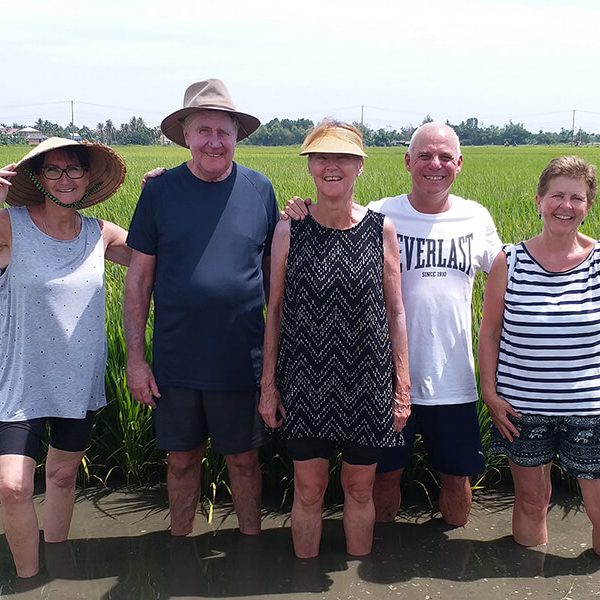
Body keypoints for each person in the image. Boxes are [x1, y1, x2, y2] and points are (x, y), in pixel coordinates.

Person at [285, 123, 501, 526]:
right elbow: (334, 211)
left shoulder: (477, 217)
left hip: (453, 378)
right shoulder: (382, 213)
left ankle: (447, 567)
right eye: (424, 155)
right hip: (382, 380)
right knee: (384, 477)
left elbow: (512, 278)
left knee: (457, 477)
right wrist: (298, 209)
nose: (434, 165)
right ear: (407, 161)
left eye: (444, 157)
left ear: (459, 163)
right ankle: (379, 563)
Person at [124, 79, 279, 537]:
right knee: (181, 460)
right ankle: (180, 547)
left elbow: (276, 283)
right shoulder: (159, 192)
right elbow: (138, 281)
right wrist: (135, 359)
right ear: (186, 136)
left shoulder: (260, 190)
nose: (215, 141)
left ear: (236, 136)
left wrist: (274, 368)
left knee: (245, 460)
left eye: (223, 131)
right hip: (177, 360)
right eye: (204, 130)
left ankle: (251, 546)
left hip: (240, 360)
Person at [260, 121, 410, 558]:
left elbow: (396, 312)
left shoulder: (381, 229)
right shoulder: (289, 229)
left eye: (342, 157)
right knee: (309, 490)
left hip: (367, 383)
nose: (331, 166)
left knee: (360, 489)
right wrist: (268, 386)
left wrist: (402, 388)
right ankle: (304, 578)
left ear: (359, 166)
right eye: (321, 157)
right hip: (305, 381)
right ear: (310, 167)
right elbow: (274, 312)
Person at [0, 137, 129, 578]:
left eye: (74, 169)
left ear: (89, 177)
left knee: (61, 475)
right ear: (37, 179)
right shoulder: (9, 225)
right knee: (12, 486)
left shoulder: (100, 233)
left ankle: (55, 565)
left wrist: (166, 197)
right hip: (19, 380)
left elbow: (159, 257)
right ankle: (29, 580)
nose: (65, 178)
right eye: (53, 170)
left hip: (77, 380)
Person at [478, 156, 600, 554]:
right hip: (522, 409)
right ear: (539, 200)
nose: (565, 205)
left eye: (576, 198)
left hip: (590, 410)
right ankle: (529, 581)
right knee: (531, 501)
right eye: (556, 196)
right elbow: (490, 332)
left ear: (588, 206)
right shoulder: (508, 261)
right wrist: (491, 395)